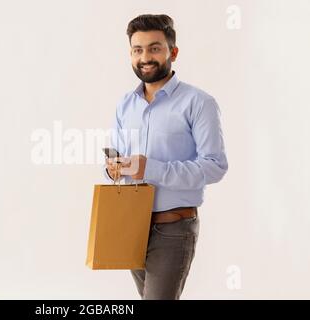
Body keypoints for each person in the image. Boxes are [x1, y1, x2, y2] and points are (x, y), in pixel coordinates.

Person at [103, 14, 229, 300]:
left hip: (173, 228)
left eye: (154, 48)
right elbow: (119, 162)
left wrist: (151, 169)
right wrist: (113, 168)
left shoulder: (199, 103)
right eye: (138, 50)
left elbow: (215, 166)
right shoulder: (125, 104)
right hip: (130, 224)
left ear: (173, 52)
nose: (145, 57)